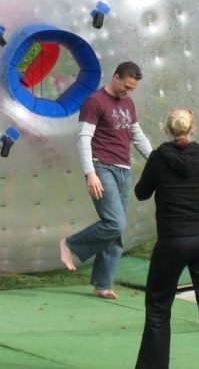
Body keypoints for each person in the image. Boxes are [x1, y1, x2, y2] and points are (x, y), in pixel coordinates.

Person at [134, 109, 199, 369]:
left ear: (166, 130)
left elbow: (141, 193)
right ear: (193, 129)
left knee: (158, 307)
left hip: (172, 242)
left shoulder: (158, 158)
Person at [60, 61, 153, 299]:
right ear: (116, 77)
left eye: (133, 89)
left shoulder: (128, 103)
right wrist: (90, 173)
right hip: (102, 168)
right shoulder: (94, 102)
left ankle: (103, 284)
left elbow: (136, 135)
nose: (129, 92)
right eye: (127, 86)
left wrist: (156, 159)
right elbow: (83, 139)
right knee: (115, 223)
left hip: (123, 169)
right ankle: (70, 245)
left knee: (115, 230)